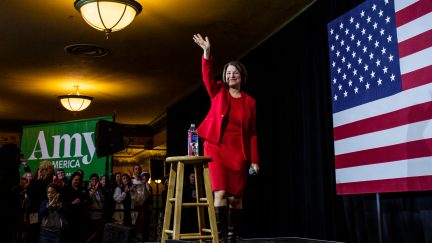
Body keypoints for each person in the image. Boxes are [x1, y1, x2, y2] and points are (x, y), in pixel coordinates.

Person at [193, 34, 260, 242]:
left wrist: (255, 160)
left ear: (242, 77)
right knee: (220, 193)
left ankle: (233, 237)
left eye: (235, 73)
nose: (231, 76)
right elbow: (207, 78)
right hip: (216, 148)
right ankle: (220, 238)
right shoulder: (218, 91)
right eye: (228, 73)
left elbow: (252, 133)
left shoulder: (250, 102)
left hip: (238, 153)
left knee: (236, 198)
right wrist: (206, 54)